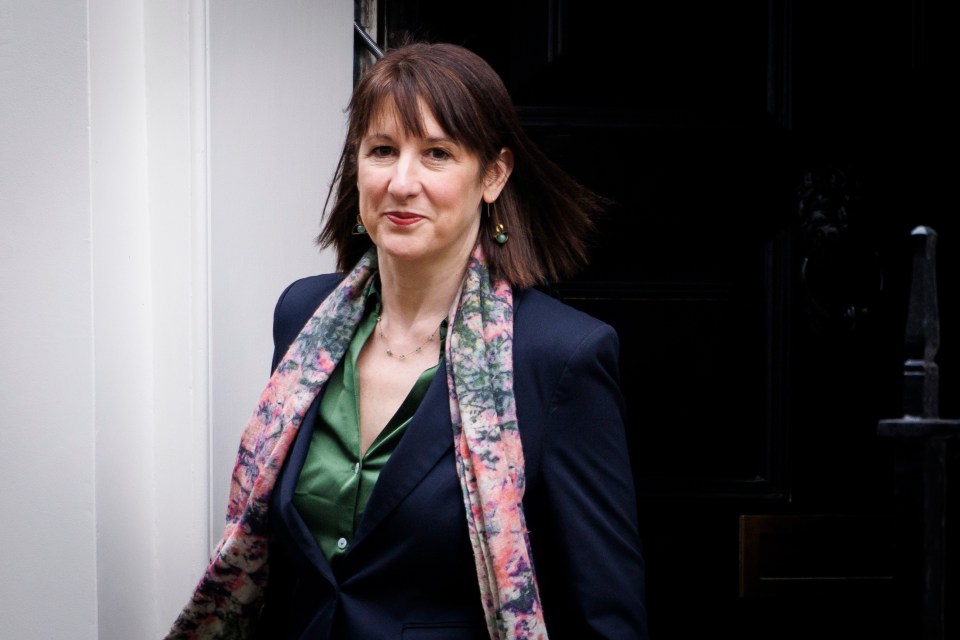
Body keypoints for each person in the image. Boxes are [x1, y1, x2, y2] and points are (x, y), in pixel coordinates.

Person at [166, 41, 648, 640]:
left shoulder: (560, 356)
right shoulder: (303, 315)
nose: (401, 181)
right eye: (383, 151)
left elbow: (606, 614)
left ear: (493, 174)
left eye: (437, 154)